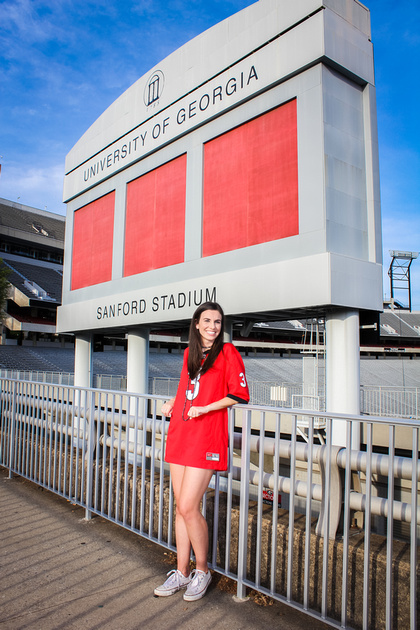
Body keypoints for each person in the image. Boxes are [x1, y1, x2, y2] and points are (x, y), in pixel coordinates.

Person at [154, 301, 249, 601]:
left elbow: (239, 394)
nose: (212, 326)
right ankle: (182, 573)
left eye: (217, 322)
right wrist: (171, 402)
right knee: (180, 507)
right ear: (196, 324)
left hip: (206, 436)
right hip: (181, 432)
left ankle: (203, 570)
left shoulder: (228, 352)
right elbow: (186, 388)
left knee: (188, 507)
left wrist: (206, 407)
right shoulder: (189, 354)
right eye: (207, 320)